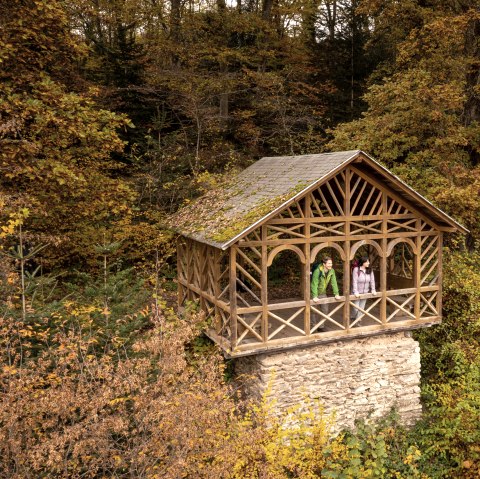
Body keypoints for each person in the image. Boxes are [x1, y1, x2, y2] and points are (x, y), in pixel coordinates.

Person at [311, 256, 341, 330]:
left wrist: (336, 293)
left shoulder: (332, 271)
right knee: (313, 311)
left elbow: (334, 282)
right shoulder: (317, 271)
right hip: (313, 293)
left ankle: (321, 326)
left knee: (325, 310)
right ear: (324, 264)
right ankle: (313, 326)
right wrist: (314, 296)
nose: (330, 265)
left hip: (323, 293)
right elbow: (314, 284)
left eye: (331, 263)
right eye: (329, 263)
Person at [351, 256, 376, 325]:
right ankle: (353, 316)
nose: (369, 263)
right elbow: (354, 281)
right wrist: (355, 291)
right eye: (367, 262)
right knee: (356, 308)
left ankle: (357, 321)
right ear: (363, 262)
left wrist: (373, 290)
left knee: (361, 309)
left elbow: (372, 280)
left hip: (365, 292)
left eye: (369, 261)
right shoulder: (356, 269)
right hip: (357, 292)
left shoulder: (370, 270)